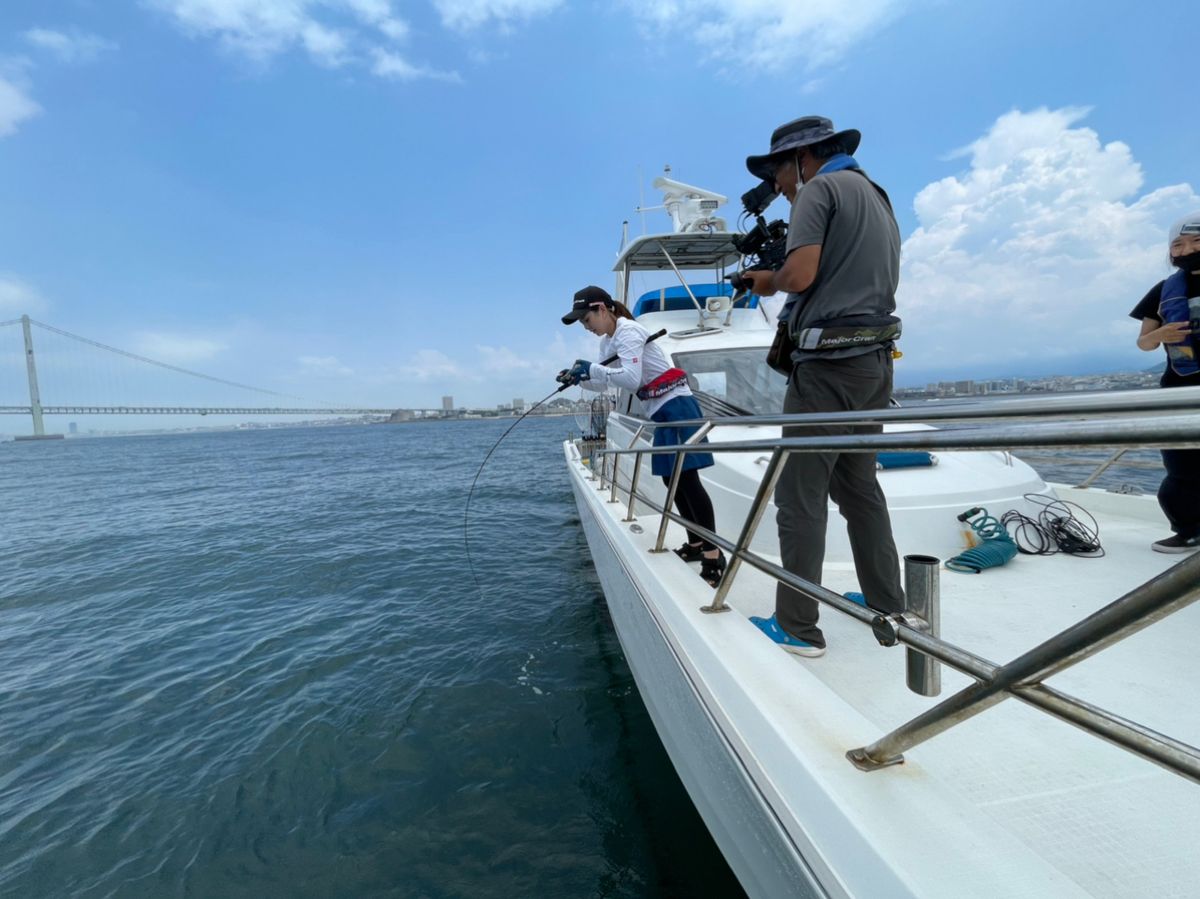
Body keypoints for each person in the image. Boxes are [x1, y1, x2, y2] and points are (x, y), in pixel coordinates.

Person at [739, 116, 905, 658]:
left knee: (798, 496)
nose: (781, 187)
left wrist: (767, 280)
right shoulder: (875, 195)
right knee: (859, 488)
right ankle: (888, 603)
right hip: (874, 364)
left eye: (779, 174)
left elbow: (801, 275)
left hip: (828, 369)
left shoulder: (819, 190)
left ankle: (799, 628)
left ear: (802, 159)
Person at [558, 285, 725, 586]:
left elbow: (631, 378)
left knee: (687, 480)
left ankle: (714, 555)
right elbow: (608, 383)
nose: (587, 327)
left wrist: (593, 369)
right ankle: (697, 544)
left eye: (587, 320)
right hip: (660, 411)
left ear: (602, 309)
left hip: (678, 406)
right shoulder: (608, 343)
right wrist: (579, 379)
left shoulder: (629, 332)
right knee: (670, 479)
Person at [1129, 212, 1200, 553]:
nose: (1187, 250)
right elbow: (1145, 343)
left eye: (1197, 242)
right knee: (1180, 466)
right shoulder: (1163, 291)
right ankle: (1188, 530)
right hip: (1178, 389)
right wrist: (1162, 332)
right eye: (1179, 245)